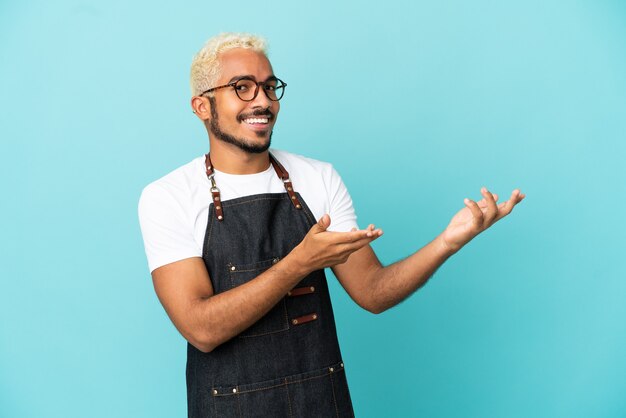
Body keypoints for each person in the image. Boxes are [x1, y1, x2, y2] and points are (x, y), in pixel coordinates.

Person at [138, 32, 525, 418]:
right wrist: (299, 262)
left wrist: (447, 242)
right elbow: (201, 329)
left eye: (270, 87)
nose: (262, 100)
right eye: (242, 87)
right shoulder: (168, 197)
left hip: (321, 404)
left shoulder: (317, 178)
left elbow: (373, 292)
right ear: (202, 106)